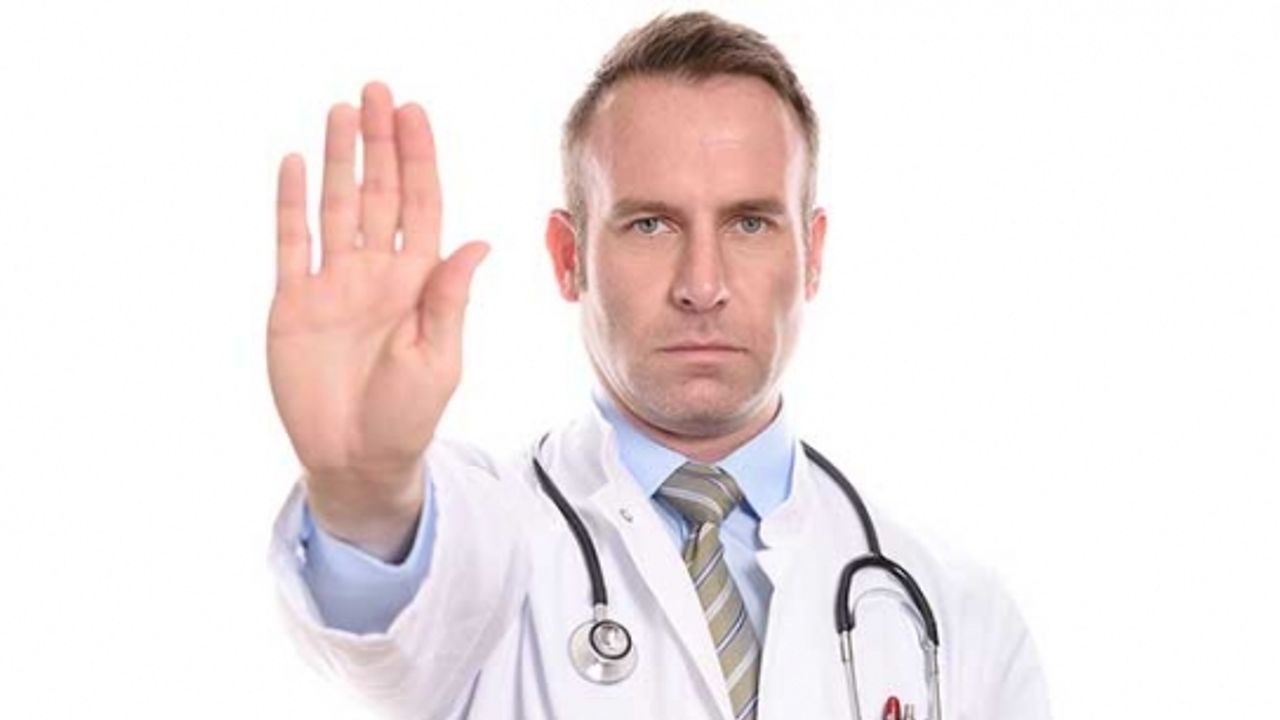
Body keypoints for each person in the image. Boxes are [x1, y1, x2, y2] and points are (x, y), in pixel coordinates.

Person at [265, 11, 1051, 719]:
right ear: (568, 257)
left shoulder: (957, 614)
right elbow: (392, 607)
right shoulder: (490, 539)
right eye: (650, 225)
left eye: (749, 223)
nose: (702, 285)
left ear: (812, 255)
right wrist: (367, 489)